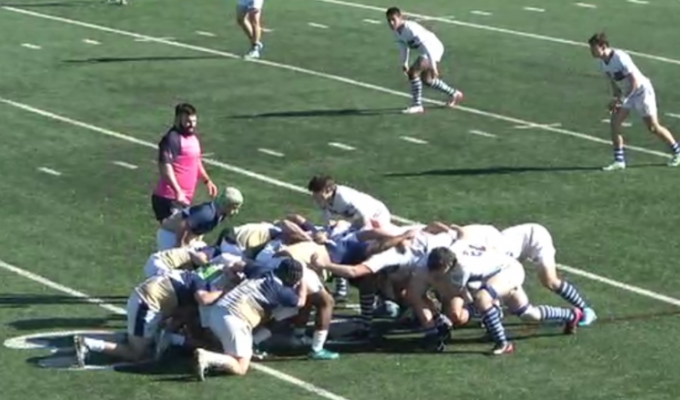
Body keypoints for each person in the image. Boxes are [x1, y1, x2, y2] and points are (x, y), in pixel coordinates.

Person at [588, 32, 680, 170]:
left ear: (603, 46)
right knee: (615, 123)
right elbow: (613, 83)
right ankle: (619, 161)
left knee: (653, 127)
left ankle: (677, 151)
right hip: (627, 94)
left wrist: (623, 99)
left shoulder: (620, 57)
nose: (591, 51)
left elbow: (635, 82)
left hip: (642, 92)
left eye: (593, 48)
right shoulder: (602, 63)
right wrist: (616, 99)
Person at [385, 7, 463, 114]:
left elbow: (427, 47)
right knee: (427, 80)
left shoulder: (410, 28)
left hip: (433, 48)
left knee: (413, 72)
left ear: (400, 17)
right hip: (426, 51)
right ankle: (454, 93)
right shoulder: (396, 32)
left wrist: (433, 66)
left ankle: (417, 105)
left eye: (393, 19)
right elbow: (404, 47)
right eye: (389, 20)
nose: (391, 23)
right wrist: (404, 63)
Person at [151, 103, 218, 223]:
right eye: (188, 121)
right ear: (178, 119)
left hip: (182, 199)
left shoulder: (193, 139)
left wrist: (207, 181)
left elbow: (196, 162)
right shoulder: (171, 139)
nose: (192, 125)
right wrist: (178, 191)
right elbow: (165, 168)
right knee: (178, 235)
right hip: (169, 198)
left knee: (183, 236)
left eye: (194, 121)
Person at [156, 187, 244, 250]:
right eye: (234, 208)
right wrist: (180, 244)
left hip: (185, 236)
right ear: (226, 205)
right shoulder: (207, 214)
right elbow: (183, 224)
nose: (236, 211)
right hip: (171, 234)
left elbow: (198, 227)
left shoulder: (220, 213)